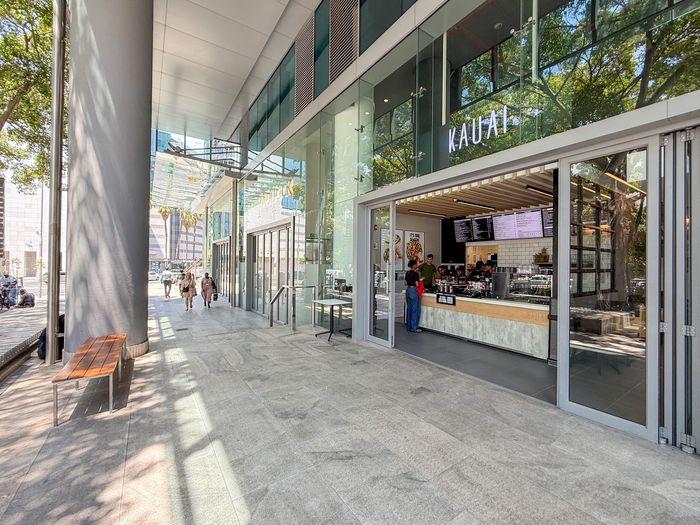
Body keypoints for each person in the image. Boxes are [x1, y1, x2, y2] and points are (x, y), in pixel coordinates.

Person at [405, 259, 423, 333]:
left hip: (408, 290)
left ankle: (409, 326)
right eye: (416, 264)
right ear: (414, 265)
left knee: (409, 309)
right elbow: (417, 284)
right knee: (415, 309)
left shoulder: (407, 273)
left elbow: (405, 283)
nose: (417, 265)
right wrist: (420, 280)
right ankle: (414, 328)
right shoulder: (415, 274)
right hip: (413, 291)